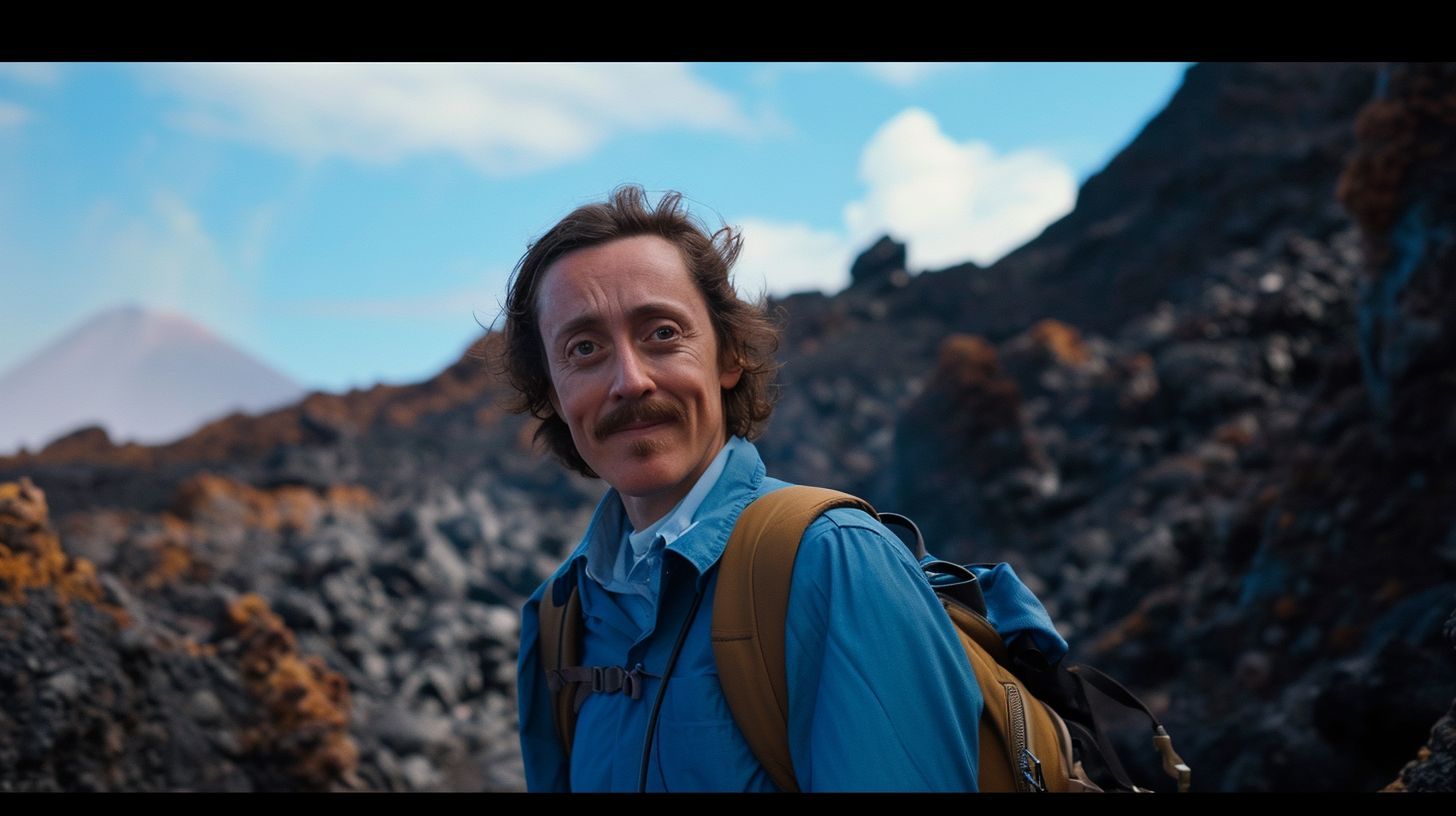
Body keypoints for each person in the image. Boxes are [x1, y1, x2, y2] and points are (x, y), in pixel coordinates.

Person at [500, 184, 1059, 792]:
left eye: (661, 333)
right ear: (554, 395)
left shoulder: (833, 560)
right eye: (584, 349)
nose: (629, 381)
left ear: (728, 356)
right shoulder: (559, 615)